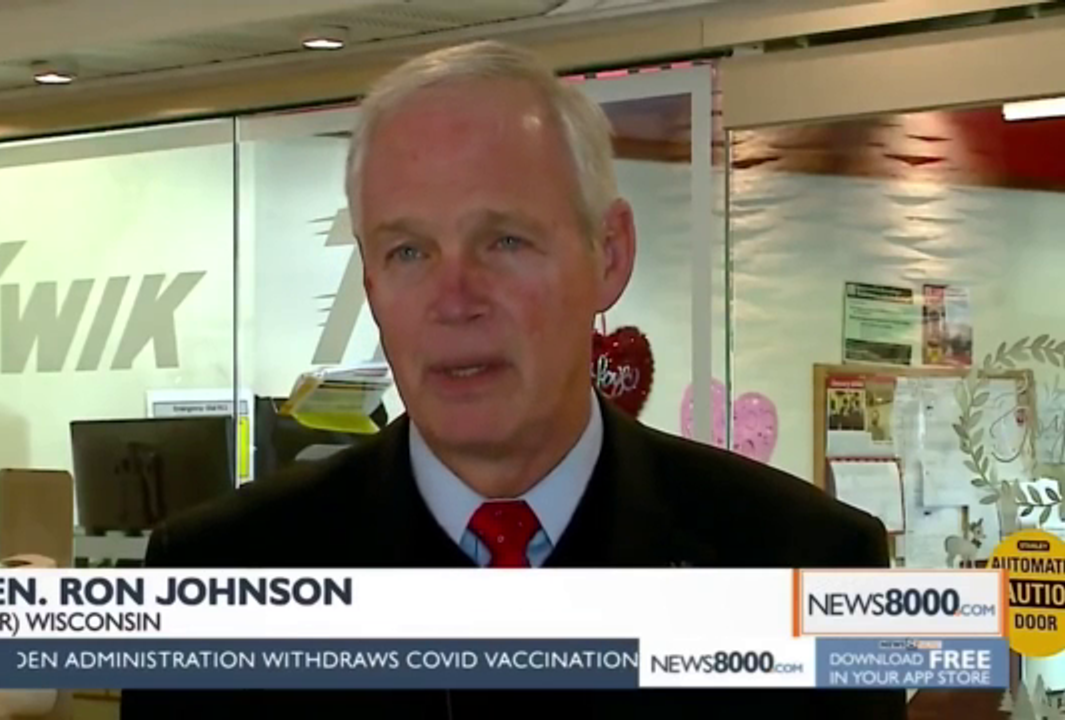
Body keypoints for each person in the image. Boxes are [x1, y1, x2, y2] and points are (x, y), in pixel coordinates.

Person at [121, 40, 903, 719]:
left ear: (609, 254)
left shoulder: (806, 566)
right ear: (370, 281)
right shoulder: (218, 578)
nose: (455, 300)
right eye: (408, 252)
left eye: (504, 241)